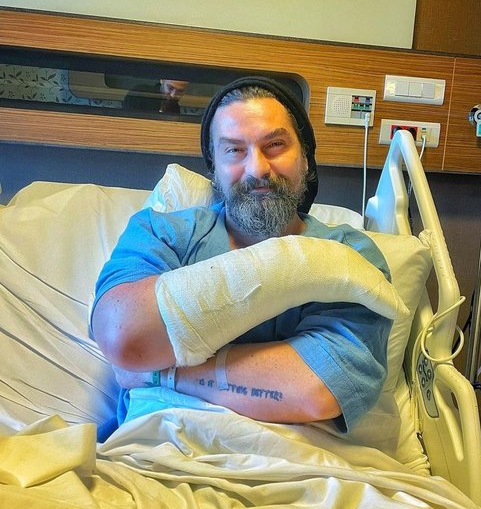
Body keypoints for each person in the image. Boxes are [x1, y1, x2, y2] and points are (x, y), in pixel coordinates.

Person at [91, 76, 400, 432]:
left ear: (305, 159)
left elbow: (319, 390)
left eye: (275, 145)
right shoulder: (162, 233)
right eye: (234, 150)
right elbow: (121, 335)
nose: (257, 169)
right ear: (215, 168)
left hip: (296, 461)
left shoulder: (350, 253)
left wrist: (159, 374)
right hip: (154, 451)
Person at [123, 79, 189, 114]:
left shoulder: (175, 108)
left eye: (180, 91)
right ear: (162, 80)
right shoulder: (140, 93)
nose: (173, 95)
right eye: (170, 88)